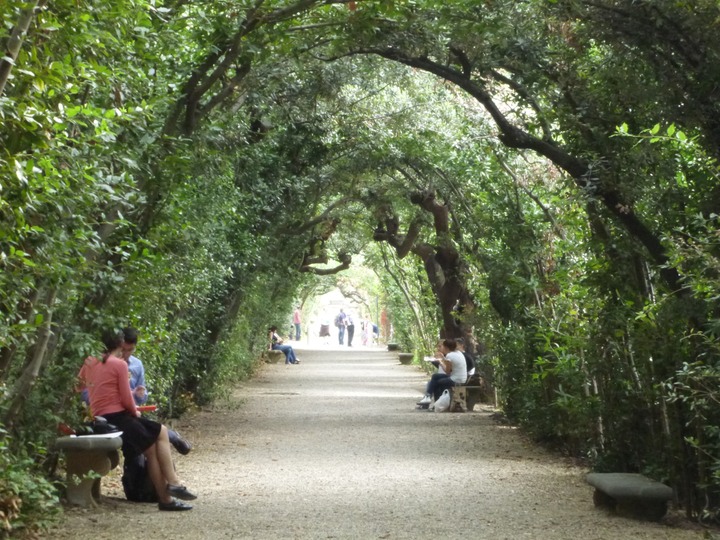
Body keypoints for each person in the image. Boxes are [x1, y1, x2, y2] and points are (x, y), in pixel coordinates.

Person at [77, 330, 197, 511]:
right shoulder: (118, 364)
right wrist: (135, 413)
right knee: (156, 441)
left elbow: (78, 386)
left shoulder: (89, 361)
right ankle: (170, 490)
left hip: (101, 417)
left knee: (157, 439)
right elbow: (126, 399)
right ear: (118, 346)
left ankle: (170, 492)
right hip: (119, 417)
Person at [120, 328, 192, 455]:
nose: (126, 354)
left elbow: (143, 396)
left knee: (148, 437)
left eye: (130, 350)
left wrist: (141, 394)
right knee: (149, 433)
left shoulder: (137, 364)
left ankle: (171, 439)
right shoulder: (110, 364)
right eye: (123, 350)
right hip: (119, 413)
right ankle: (172, 436)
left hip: (134, 412)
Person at [417, 338, 467, 406]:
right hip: (461, 377)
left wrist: (440, 362)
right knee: (435, 376)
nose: (440, 348)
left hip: (456, 379)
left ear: (446, 347)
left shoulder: (450, 355)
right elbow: (452, 368)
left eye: (442, 346)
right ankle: (428, 397)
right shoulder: (458, 353)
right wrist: (443, 358)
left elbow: (447, 372)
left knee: (438, 382)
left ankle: (436, 403)